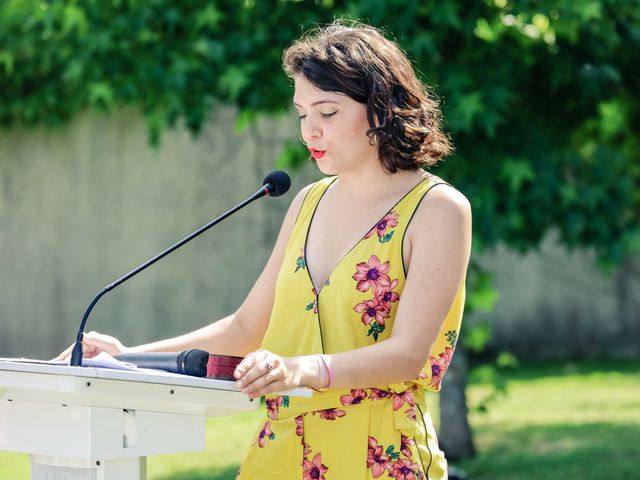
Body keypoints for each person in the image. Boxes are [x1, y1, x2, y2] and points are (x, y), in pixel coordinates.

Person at [59, 20, 471, 480]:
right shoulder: (307, 203)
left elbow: (408, 354)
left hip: (379, 459)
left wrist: (299, 369)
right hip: (279, 457)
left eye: (328, 113)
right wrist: (127, 357)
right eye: (301, 114)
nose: (309, 131)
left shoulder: (438, 209)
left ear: (381, 109)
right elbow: (247, 328)